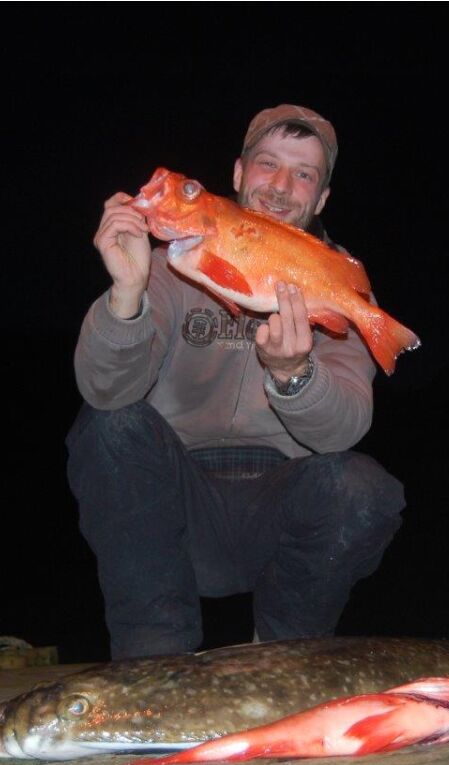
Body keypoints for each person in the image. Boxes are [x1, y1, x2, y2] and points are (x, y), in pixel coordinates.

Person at [67, 104, 406, 660]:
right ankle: (155, 663)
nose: (281, 186)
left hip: (277, 514)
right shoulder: (166, 266)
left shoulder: (333, 282)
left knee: (362, 489)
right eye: (268, 164)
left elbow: (345, 429)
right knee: (109, 428)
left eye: (303, 174)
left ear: (321, 198)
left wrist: (293, 375)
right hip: (171, 509)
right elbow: (105, 391)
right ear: (238, 173)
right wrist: (127, 294)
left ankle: (281, 659)